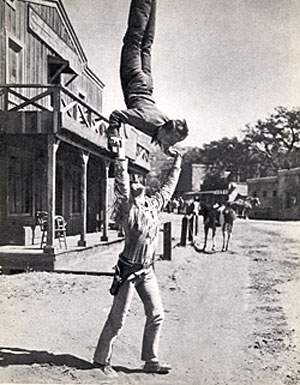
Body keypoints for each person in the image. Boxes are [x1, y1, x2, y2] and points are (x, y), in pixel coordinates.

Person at [93, 137, 182, 378]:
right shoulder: (129, 211)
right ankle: (101, 360)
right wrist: (120, 155)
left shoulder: (154, 206)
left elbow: (169, 187)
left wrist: (177, 163)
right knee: (118, 319)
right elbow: (121, 184)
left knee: (157, 314)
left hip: (148, 270)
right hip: (128, 271)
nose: (138, 188)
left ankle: (151, 360)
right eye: (136, 189)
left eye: (141, 187)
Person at [107, 0, 188, 155]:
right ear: (165, 131)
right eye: (170, 141)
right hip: (134, 78)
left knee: (146, 44)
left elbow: (164, 133)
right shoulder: (146, 120)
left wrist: (167, 149)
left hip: (147, 83)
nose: (170, 144)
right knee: (134, 38)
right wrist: (113, 133)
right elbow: (116, 114)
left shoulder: (165, 123)